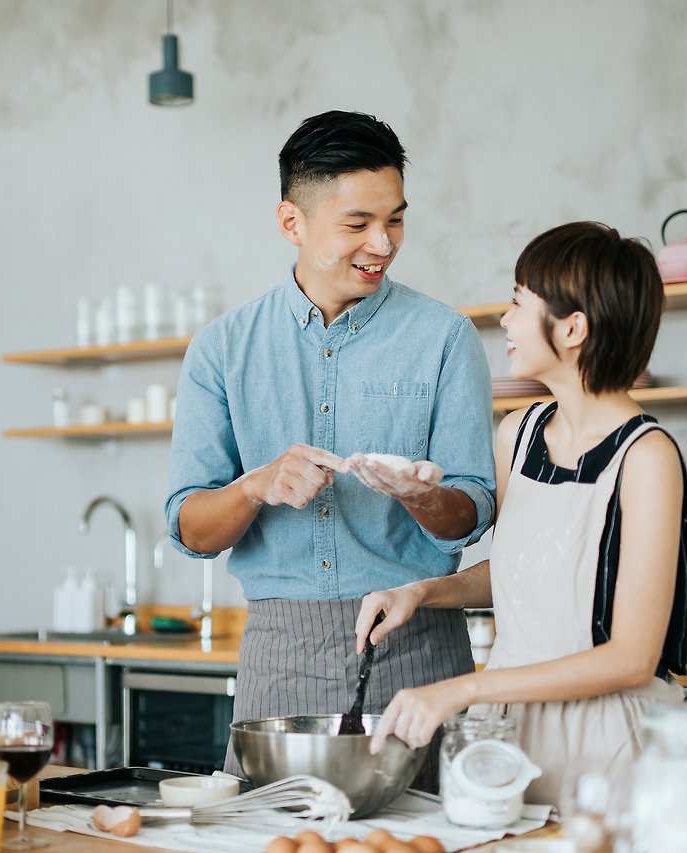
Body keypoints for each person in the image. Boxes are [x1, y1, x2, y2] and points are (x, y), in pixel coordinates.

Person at [165, 111, 497, 785]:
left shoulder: (444, 337)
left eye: (396, 219)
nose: (383, 242)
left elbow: (475, 513)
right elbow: (189, 528)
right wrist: (254, 485)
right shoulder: (222, 349)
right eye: (357, 223)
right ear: (292, 222)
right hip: (278, 657)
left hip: (419, 648)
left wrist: (423, 496)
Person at [358, 221, 687, 808]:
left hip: (609, 743)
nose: (505, 320)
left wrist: (460, 689)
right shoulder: (520, 433)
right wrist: (419, 591)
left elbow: (632, 657)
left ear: (572, 328)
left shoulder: (648, 457)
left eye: (518, 303)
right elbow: (524, 570)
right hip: (510, 733)